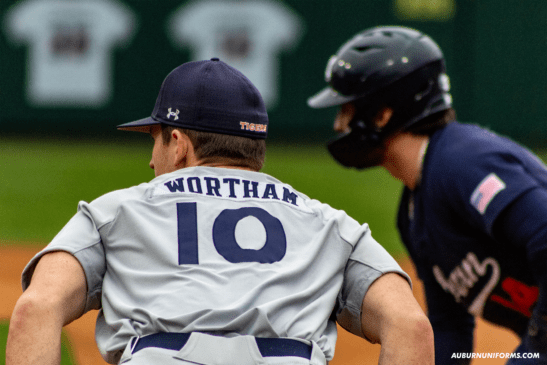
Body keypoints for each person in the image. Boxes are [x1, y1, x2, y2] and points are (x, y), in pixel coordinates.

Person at [7, 58, 433, 365]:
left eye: (154, 141)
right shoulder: (331, 227)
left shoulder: (116, 212)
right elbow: (410, 328)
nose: (152, 161)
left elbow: (36, 309)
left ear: (178, 143)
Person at [308, 25, 547, 364]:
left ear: (382, 114)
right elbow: (450, 326)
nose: (338, 124)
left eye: (345, 109)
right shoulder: (413, 215)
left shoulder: (461, 162)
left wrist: (539, 342)